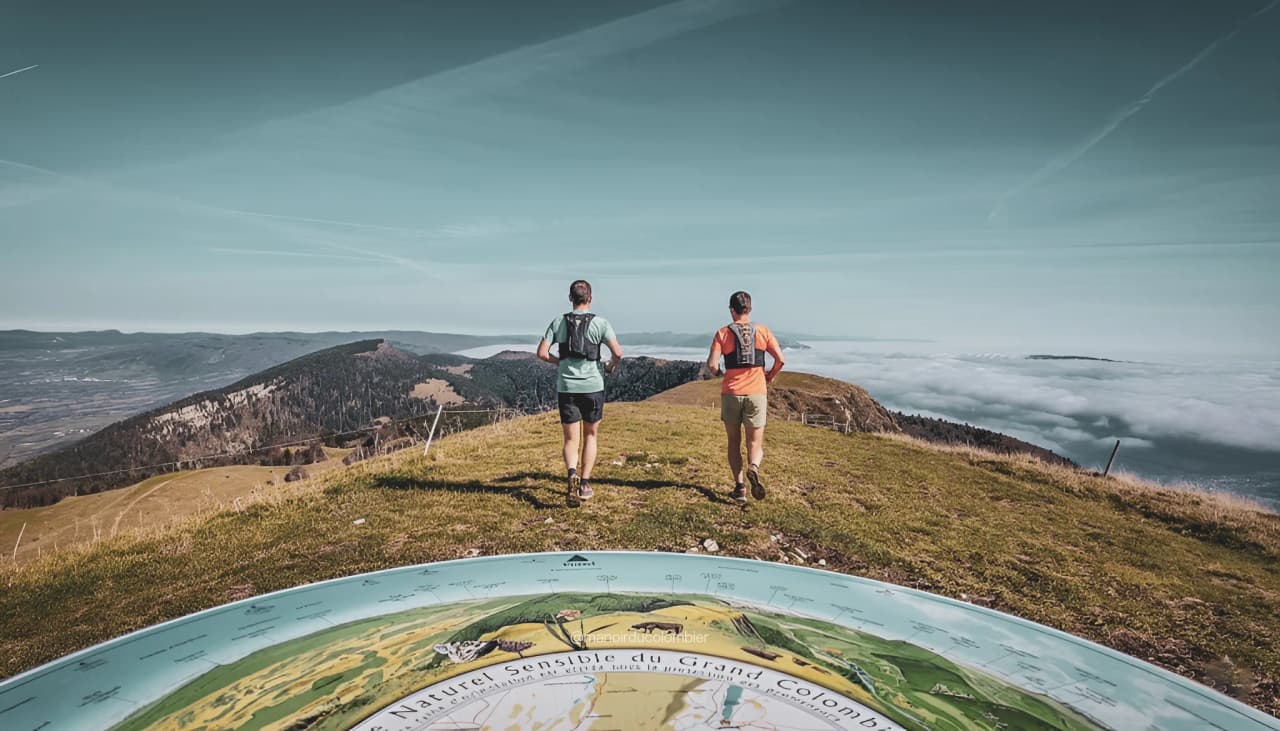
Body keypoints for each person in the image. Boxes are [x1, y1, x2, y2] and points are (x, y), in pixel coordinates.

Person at [537, 280, 624, 507]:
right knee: (590, 436)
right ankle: (584, 484)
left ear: (570, 298)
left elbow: (542, 353)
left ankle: (571, 474)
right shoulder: (601, 323)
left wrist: (560, 362)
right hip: (593, 386)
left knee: (570, 438)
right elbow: (618, 352)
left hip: (567, 387)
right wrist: (609, 366)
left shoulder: (558, 322)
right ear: (590, 298)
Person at [706, 291, 785, 504]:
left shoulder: (723, 333)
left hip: (731, 393)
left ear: (732, 310)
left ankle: (740, 487)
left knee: (733, 441)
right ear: (749, 309)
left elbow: (712, 365)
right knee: (754, 443)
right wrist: (769, 376)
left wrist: (721, 374)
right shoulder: (763, 331)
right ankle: (754, 467)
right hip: (757, 393)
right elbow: (780, 359)